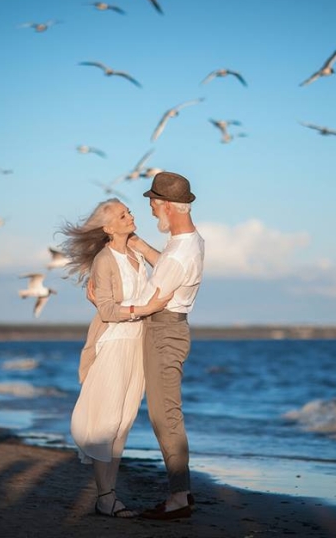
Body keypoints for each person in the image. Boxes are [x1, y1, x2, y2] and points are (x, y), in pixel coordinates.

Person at [60, 198, 170, 518]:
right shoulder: (104, 261)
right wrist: (146, 309)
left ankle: (108, 496)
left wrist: (138, 241)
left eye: (129, 211)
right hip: (114, 343)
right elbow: (107, 311)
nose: (131, 215)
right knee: (107, 421)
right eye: (123, 215)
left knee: (123, 422)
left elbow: (168, 269)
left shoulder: (135, 252)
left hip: (138, 343)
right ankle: (105, 496)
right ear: (108, 228)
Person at [128, 172, 205, 520]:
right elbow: (169, 272)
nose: (151, 211)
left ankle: (177, 497)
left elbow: (155, 300)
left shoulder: (177, 254)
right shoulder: (189, 240)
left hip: (163, 332)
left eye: (153, 205)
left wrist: (119, 308)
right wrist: (143, 248)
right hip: (171, 329)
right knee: (167, 414)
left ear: (170, 207)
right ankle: (182, 492)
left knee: (165, 416)